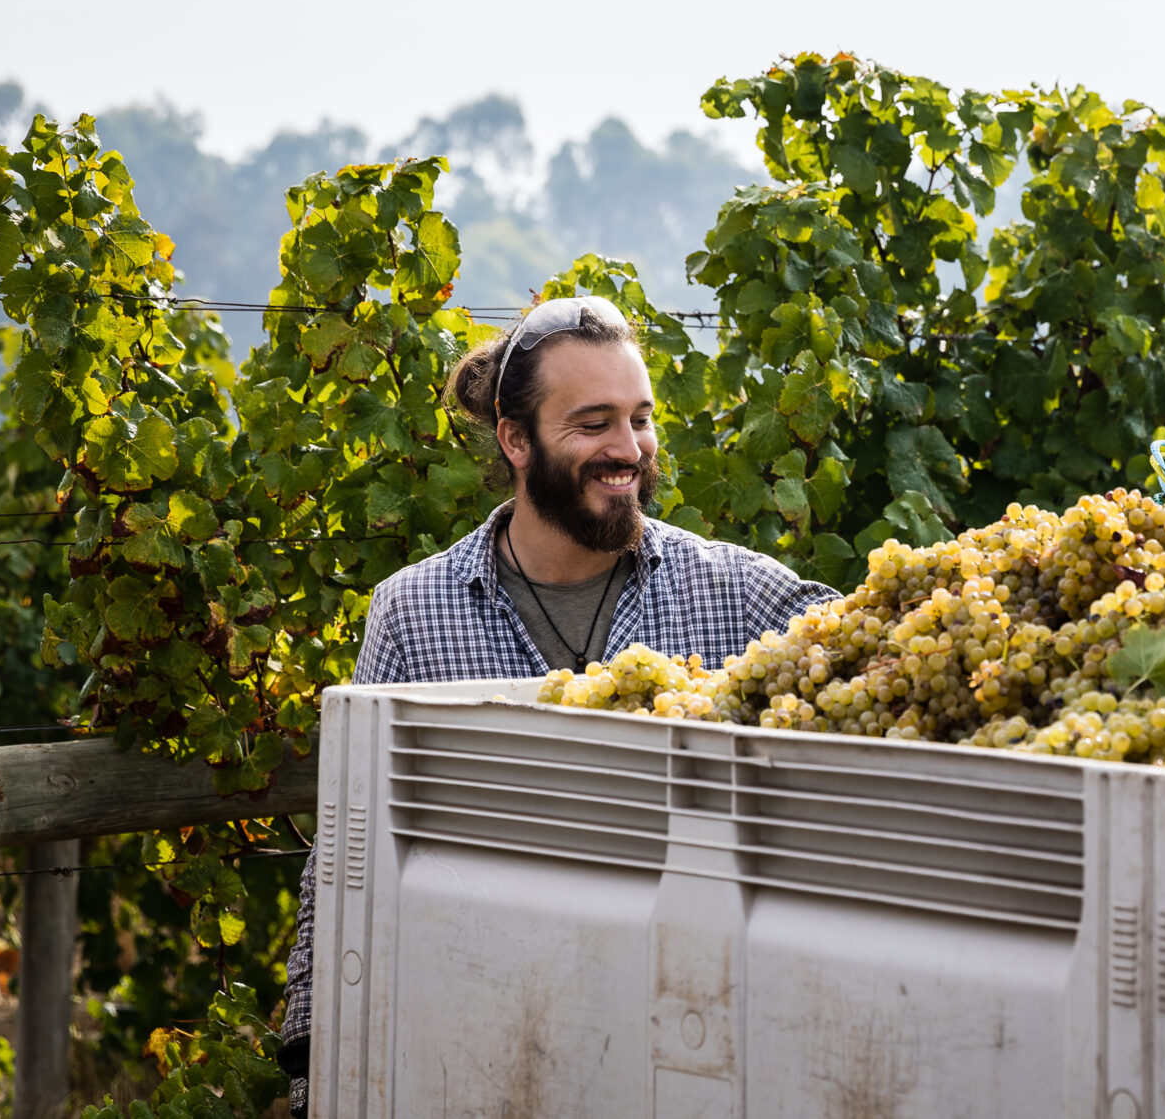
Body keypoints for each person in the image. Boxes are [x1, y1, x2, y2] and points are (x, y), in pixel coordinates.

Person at [276, 295, 838, 1113]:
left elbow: (865, 648)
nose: (628, 450)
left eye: (640, 419)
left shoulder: (732, 593)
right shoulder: (416, 611)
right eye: (594, 422)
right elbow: (346, 848)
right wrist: (312, 1051)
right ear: (515, 438)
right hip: (493, 1043)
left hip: (681, 1044)